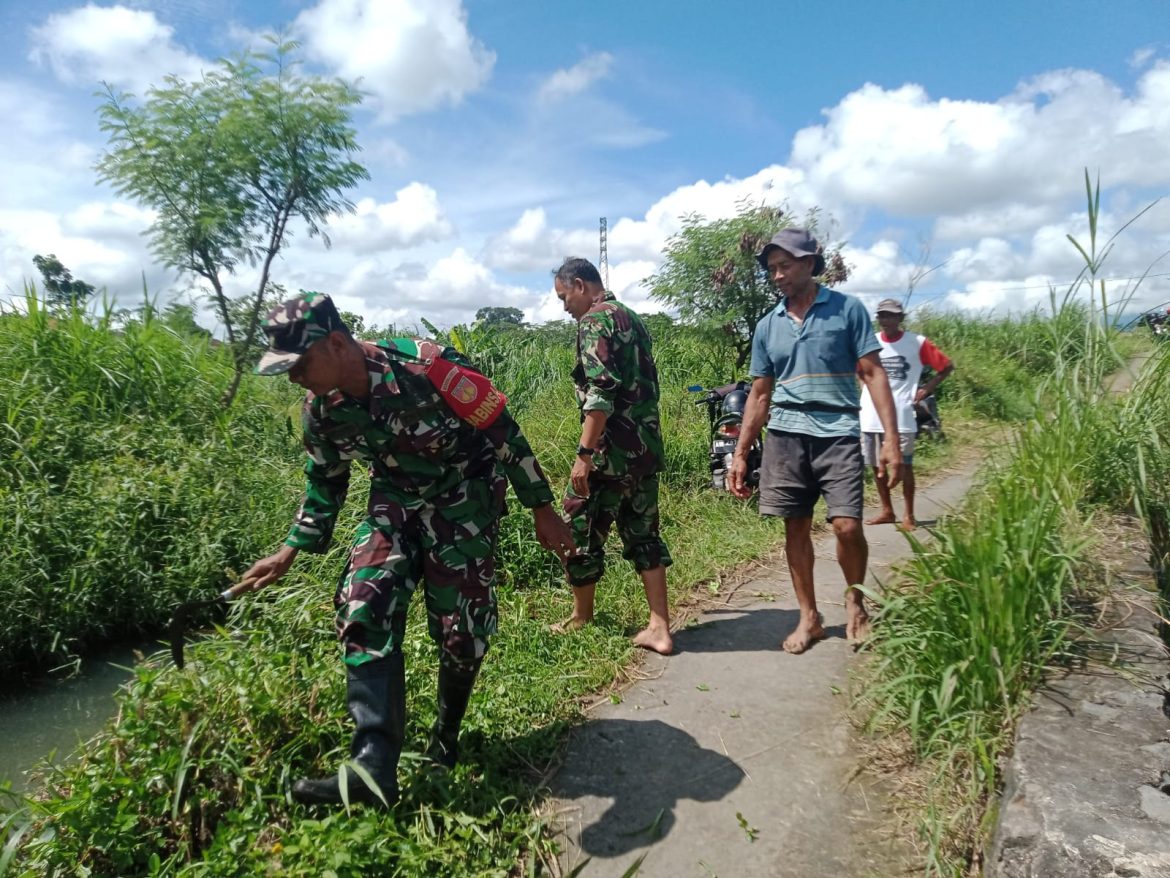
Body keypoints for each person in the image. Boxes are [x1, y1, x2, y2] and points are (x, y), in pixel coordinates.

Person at [238, 292, 572, 808]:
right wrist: (290, 549)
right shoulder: (321, 410)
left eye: (299, 364)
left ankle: (444, 737)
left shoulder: (428, 366)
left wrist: (542, 507)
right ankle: (373, 765)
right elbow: (325, 479)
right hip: (394, 498)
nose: (293, 377)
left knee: (461, 632)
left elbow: (503, 431)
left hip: (465, 492)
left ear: (335, 343)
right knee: (361, 605)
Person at [727, 228, 902, 653]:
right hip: (786, 437)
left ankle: (856, 601)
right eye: (772, 269)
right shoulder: (769, 325)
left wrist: (891, 441)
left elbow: (873, 374)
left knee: (846, 525)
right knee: (795, 526)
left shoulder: (847, 311)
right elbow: (760, 393)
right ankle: (809, 616)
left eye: (785, 266)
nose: (777, 275)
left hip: (838, 433)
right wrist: (740, 453)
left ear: (809, 264)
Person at [550, 257, 674, 656]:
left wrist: (584, 454)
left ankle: (582, 616)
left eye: (564, 296)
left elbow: (600, 392)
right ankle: (659, 626)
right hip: (645, 448)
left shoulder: (593, 321)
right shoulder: (632, 318)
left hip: (610, 452)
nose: (565, 306)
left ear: (582, 286)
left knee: (576, 522)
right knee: (644, 531)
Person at [859, 298, 954, 531]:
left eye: (891, 315)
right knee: (876, 466)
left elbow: (946, 367)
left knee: (904, 466)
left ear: (901, 318)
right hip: (870, 416)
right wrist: (864, 389)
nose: (886, 320)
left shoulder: (917, 343)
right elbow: (859, 370)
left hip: (901, 415)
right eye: (882, 315)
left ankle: (909, 515)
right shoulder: (869, 342)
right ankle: (887, 510)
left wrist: (925, 389)